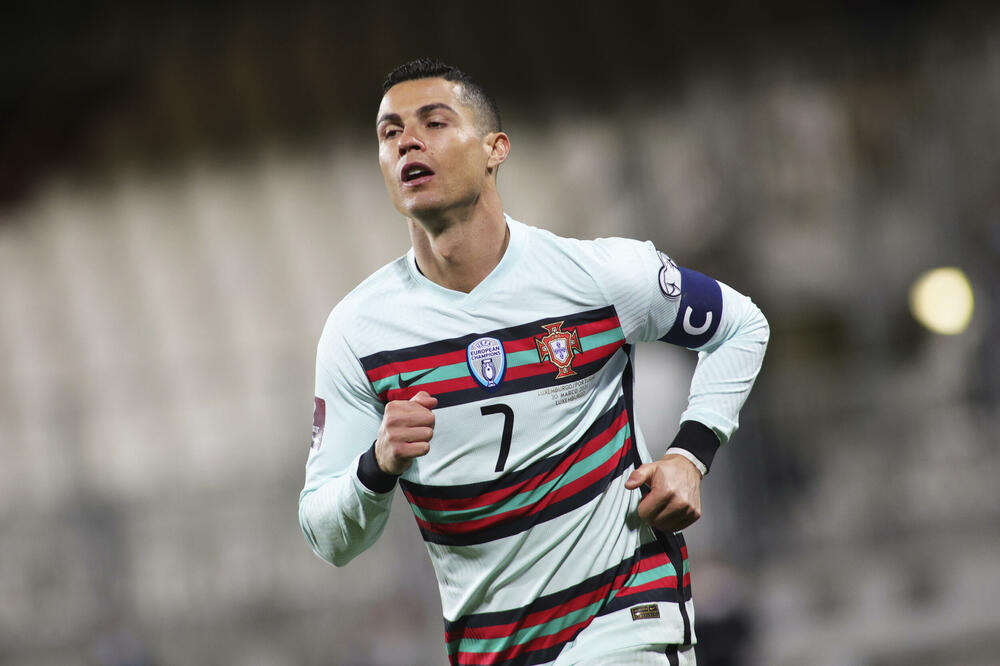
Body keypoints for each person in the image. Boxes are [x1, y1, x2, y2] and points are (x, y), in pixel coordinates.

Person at [298, 58, 769, 666]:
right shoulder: (359, 334)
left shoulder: (597, 278)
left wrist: (689, 454)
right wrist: (378, 463)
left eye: (434, 123)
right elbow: (327, 536)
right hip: (494, 649)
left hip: (625, 620)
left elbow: (741, 325)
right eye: (390, 133)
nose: (407, 141)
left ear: (495, 149)